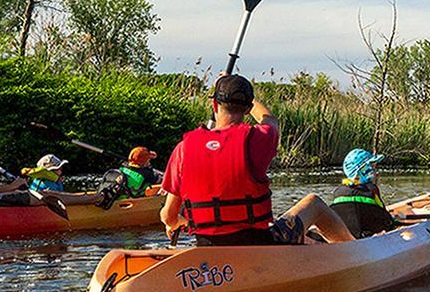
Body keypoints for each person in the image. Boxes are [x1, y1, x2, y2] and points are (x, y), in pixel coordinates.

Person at [159, 74, 354, 246]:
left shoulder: (184, 149)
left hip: (209, 247)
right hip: (259, 245)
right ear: (247, 109)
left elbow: (168, 215)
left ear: (214, 105)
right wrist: (247, 97)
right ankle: (356, 252)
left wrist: (178, 222)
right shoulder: (258, 139)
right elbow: (269, 118)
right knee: (314, 203)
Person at [328, 148, 402, 239]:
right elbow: (385, 218)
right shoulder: (371, 191)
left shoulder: (338, 192)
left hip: (348, 237)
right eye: (371, 167)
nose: (375, 171)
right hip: (370, 237)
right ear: (363, 171)